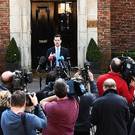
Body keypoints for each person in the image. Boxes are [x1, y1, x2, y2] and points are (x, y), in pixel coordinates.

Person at [74, 70, 98, 135]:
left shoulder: (70, 97)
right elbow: (96, 95)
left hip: (73, 127)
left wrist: (74, 79)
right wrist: (92, 80)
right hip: (84, 128)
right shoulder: (88, 97)